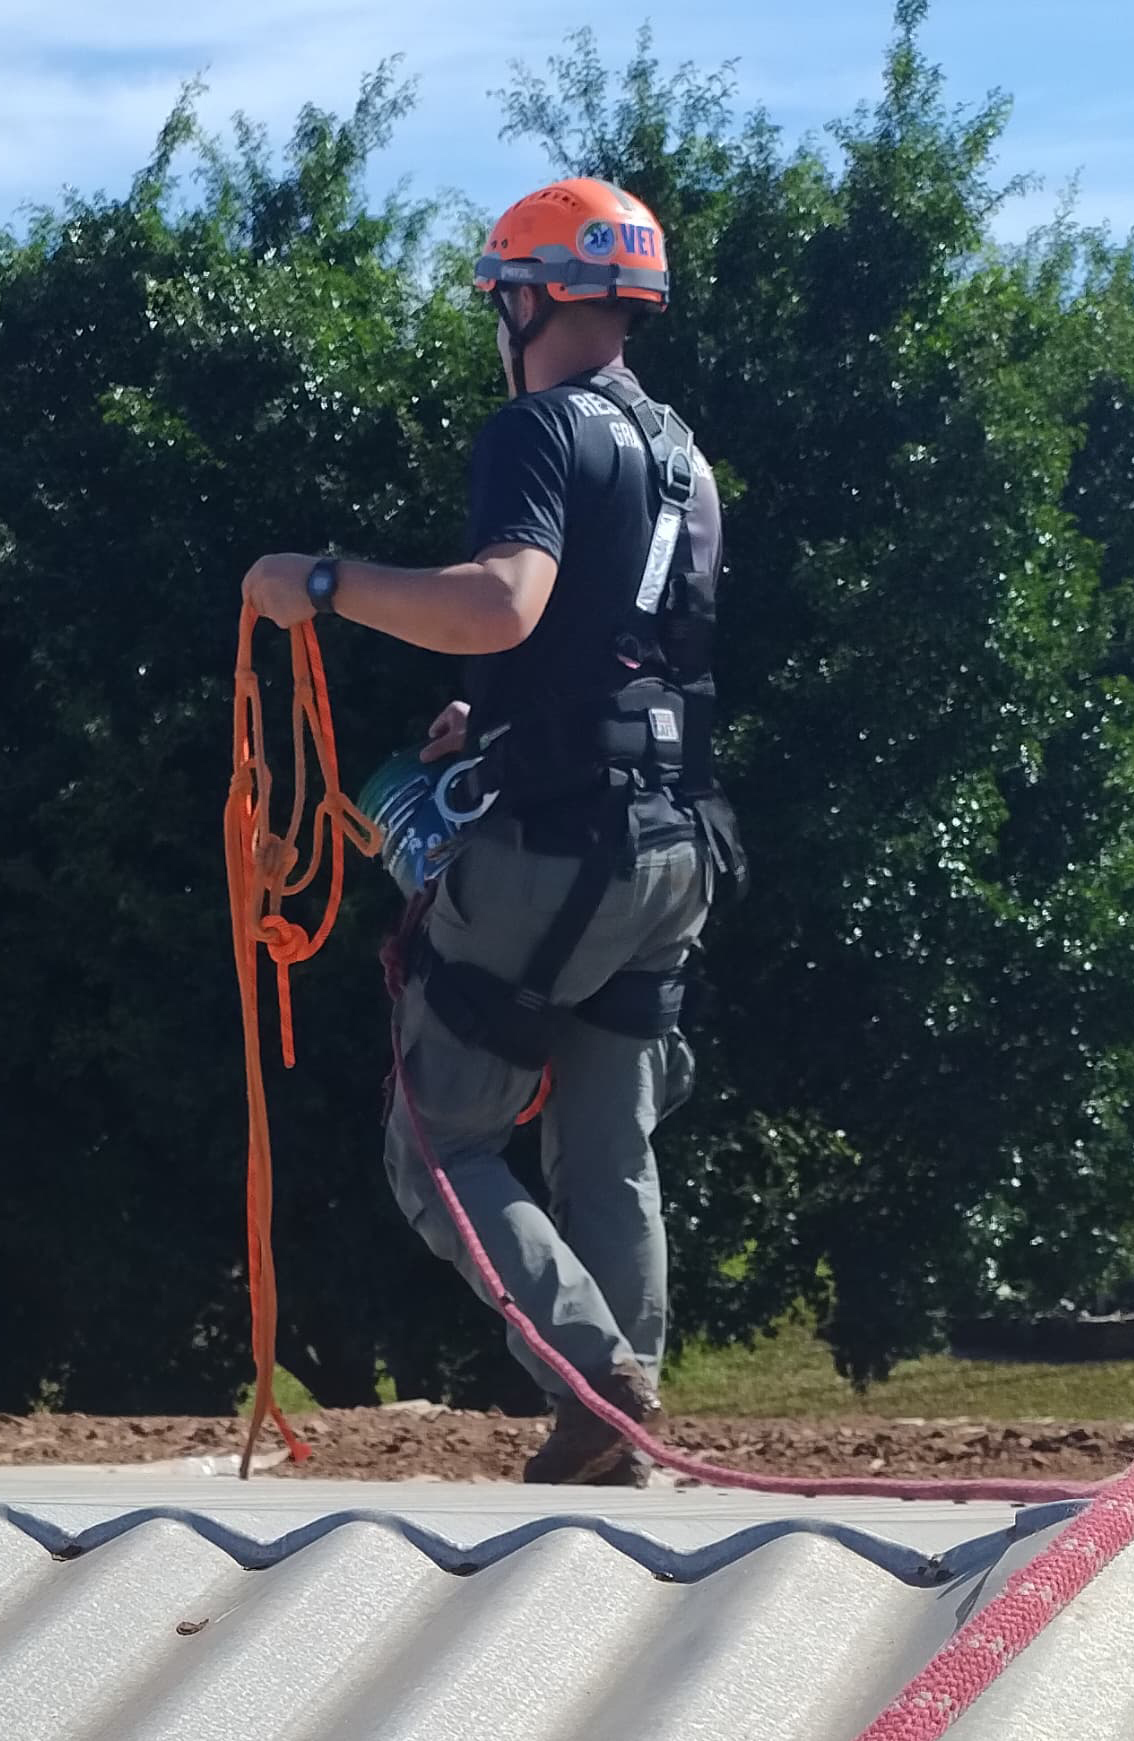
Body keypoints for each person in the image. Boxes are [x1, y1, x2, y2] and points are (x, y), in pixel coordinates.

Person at [240, 176, 745, 1485]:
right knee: (608, 1149)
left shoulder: (536, 430)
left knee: (439, 1144)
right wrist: (500, 714)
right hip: (674, 843)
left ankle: (593, 1372)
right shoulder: (686, 458)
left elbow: (508, 602)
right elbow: (629, 654)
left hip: (554, 853)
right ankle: (619, 1435)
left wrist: (326, 585)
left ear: (530, 297)